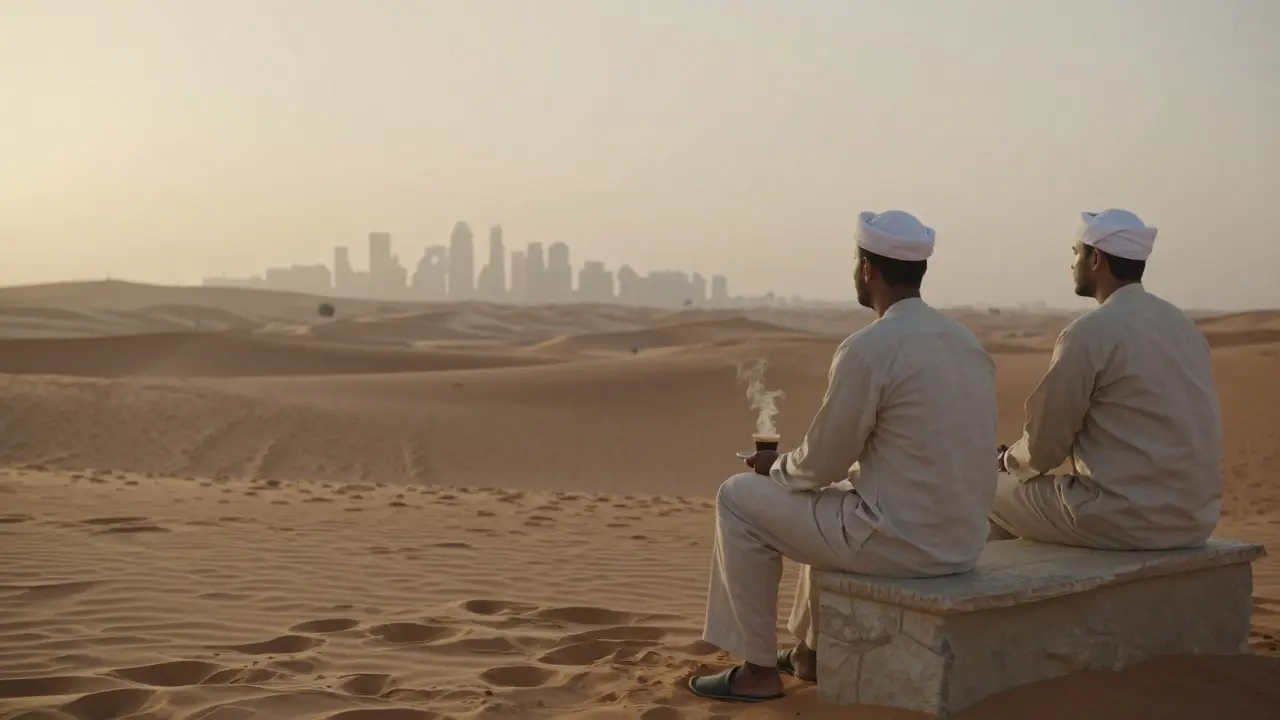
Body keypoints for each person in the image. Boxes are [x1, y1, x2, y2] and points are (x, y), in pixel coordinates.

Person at [688, 210, 998, 703]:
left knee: (738, 497)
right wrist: (800, 472)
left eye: (857, 262)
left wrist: (777, 467)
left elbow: (822, 463)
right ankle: (809, 654)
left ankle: (758, 669)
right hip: (960, 542)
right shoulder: (965, 342)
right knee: (831, 501)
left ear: (868, 270)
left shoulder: (870, 346)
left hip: (901, 543)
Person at [993, 209, 1222, 551]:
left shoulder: (1089, 333)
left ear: (1096, 258)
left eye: (1076, 253)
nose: (1072, 263)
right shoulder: (1182, 326)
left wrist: (1004, 462)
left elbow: (1045, 446)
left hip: (1121, 519)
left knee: (979, 488)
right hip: (1193, 521)